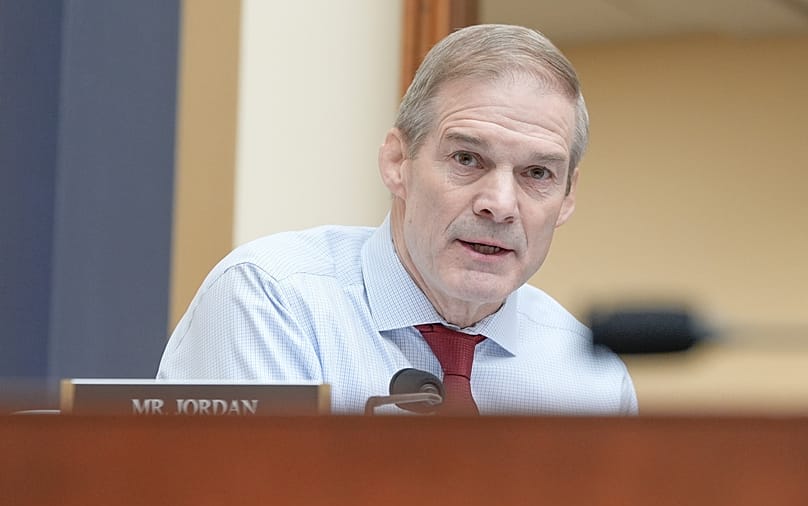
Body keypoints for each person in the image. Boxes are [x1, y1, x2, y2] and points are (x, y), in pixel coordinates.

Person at [158, 24, 638, 416]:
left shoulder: (591, 374)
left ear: (568, 196)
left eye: (537, 173)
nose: (500, 203)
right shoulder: (273, 300)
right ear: (396, 162)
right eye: (467, 159)